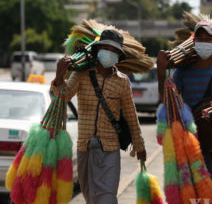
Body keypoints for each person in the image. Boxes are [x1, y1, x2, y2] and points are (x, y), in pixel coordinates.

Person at [52, 29, 147, 204]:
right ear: (98, 50)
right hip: (85, 148)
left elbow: (130, 114)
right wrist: (59, 76)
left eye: (114, 51)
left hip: (110, 149)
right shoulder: (81, 74)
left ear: (119, 55)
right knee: (91, 198)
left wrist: (139, 145)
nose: (109, 54)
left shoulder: (122, 81)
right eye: (106, 48)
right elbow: (63, 96)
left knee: (107, 199)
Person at [157, 20, 212, 202]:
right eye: (199, 38)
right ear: (193, 43)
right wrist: (161, 72)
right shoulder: (181, 73)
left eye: (208, 38)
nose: (203, 42)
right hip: (188, 150)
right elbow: (167, 102)